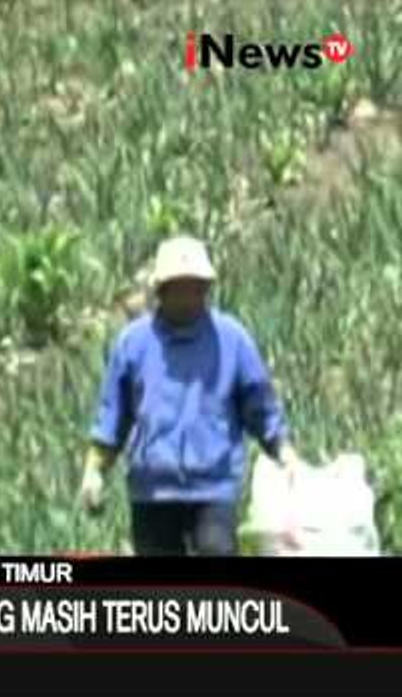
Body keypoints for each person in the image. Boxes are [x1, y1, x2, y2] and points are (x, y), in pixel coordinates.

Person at [80, 235, 301, 556]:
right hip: (153, 490)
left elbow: (259, 404)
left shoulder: (231, 340)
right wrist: (95, 471)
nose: (188, 297)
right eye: (179, 288)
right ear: (162, 290)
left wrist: (283, 451)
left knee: (216, 552)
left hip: (212, 486)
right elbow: (112, 416)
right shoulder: (134, 344)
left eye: (195, 287)